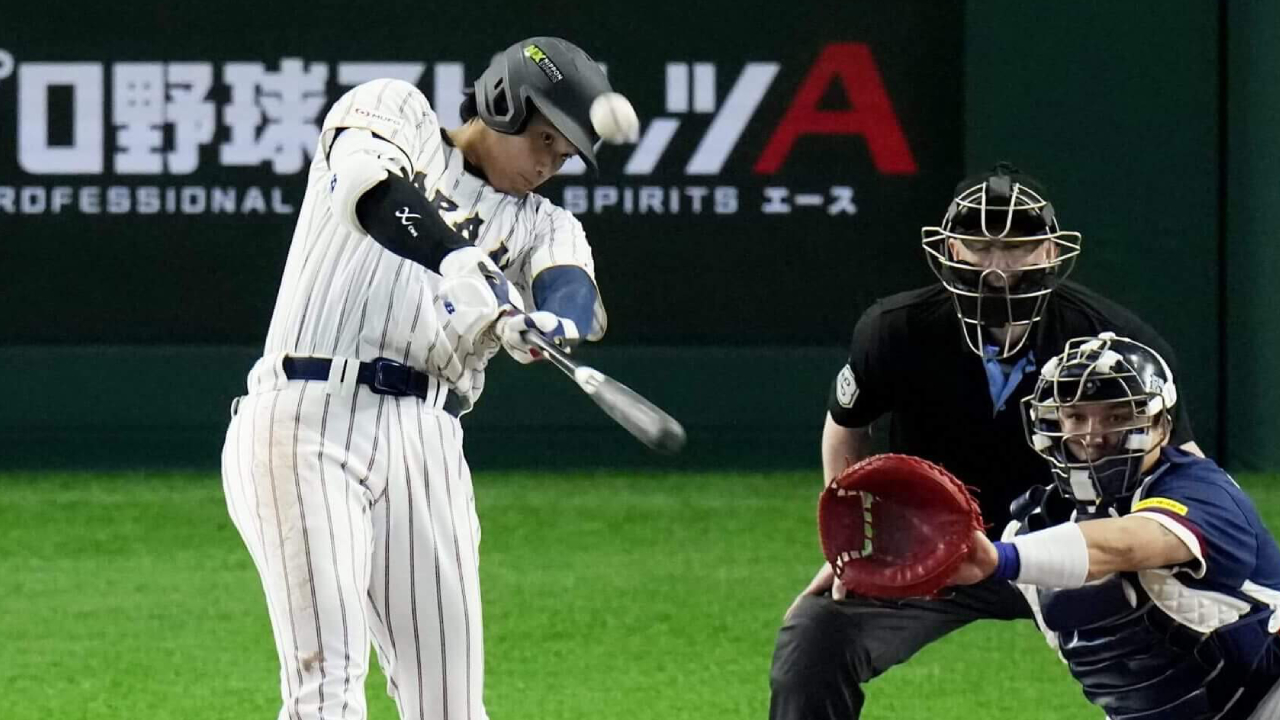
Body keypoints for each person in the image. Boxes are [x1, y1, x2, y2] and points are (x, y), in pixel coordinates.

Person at [220, 37, 626, 720]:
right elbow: (366, 190)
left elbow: (573, 291)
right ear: (504, 103)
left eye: (563, 157)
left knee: (451, 707)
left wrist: (550, 325)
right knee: (328, 690)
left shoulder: (545, 223)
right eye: (545, 141)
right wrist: (461, 262)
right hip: (306, 416)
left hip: (429, 438)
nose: (549, 166)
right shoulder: (394, 111)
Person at [768, 162, 1203, 719]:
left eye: (1019, 246)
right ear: (948, 248)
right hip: (934, 547)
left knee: (1215, 648)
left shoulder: (1113, 343)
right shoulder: (897, 330)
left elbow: (1185, 471)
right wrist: (850, 540)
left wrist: (1225, 577)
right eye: (978, 245)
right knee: (815, 637)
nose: (998, 270)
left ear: (1050, 251)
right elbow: (847, 426)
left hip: (1080, 549)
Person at [949, 332, 1280, 719]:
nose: (1093, 435)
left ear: (1161, 423)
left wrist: (1001, 558)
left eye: (1118, 416)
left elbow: (1126, 544)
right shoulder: (1033, 527)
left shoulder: (1201, 491)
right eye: (1076, 416)